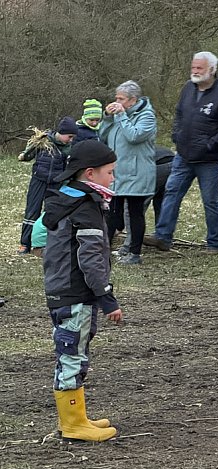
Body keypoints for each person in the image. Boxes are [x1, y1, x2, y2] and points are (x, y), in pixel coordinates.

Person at [42, 140, 124, 442]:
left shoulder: (66, 199)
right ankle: (72, 424)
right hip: (76, 293)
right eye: (110, 172)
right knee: (72, 356)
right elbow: (90, 259)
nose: (113, 178)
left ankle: (76, 416)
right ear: (90, 174)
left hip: (62, 289)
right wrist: (106, 297)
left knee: (73, 352)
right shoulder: (85, 208)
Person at [150, 52, 218, 253]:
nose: (195, 72)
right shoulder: (188, 88)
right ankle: (162, 236)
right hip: (183, 155)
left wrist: (210, 145)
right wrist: (177, 134)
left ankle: (215, 243)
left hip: (209, 160)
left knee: (210, 200)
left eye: (199, 68)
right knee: (171, 192)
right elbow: (179, 113)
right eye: (193, 68)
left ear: (211, 70)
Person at [100, 80, 157, 265]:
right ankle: (102, 252)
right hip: (117, 173)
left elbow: (134, 136)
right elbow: (103, 136)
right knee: (111, 215)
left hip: (137, 173)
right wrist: (108, 117)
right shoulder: (117, 116)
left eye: (121, 98)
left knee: (134, 214)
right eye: (115, 98)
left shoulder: (147, 116)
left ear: (132, 100)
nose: (116, 101)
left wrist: (122, 116)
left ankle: (134, 253)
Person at [16, 116, 77, 254]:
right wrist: (25, 154)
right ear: (61, 132)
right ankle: (25, 243)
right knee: (32, 211)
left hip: (56, 183)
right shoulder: (44, 142)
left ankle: (47, 242)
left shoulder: (69, 149)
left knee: (51, 212)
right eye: (69, 136)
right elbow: (27, 155)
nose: (71, 139)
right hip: (39, 180)